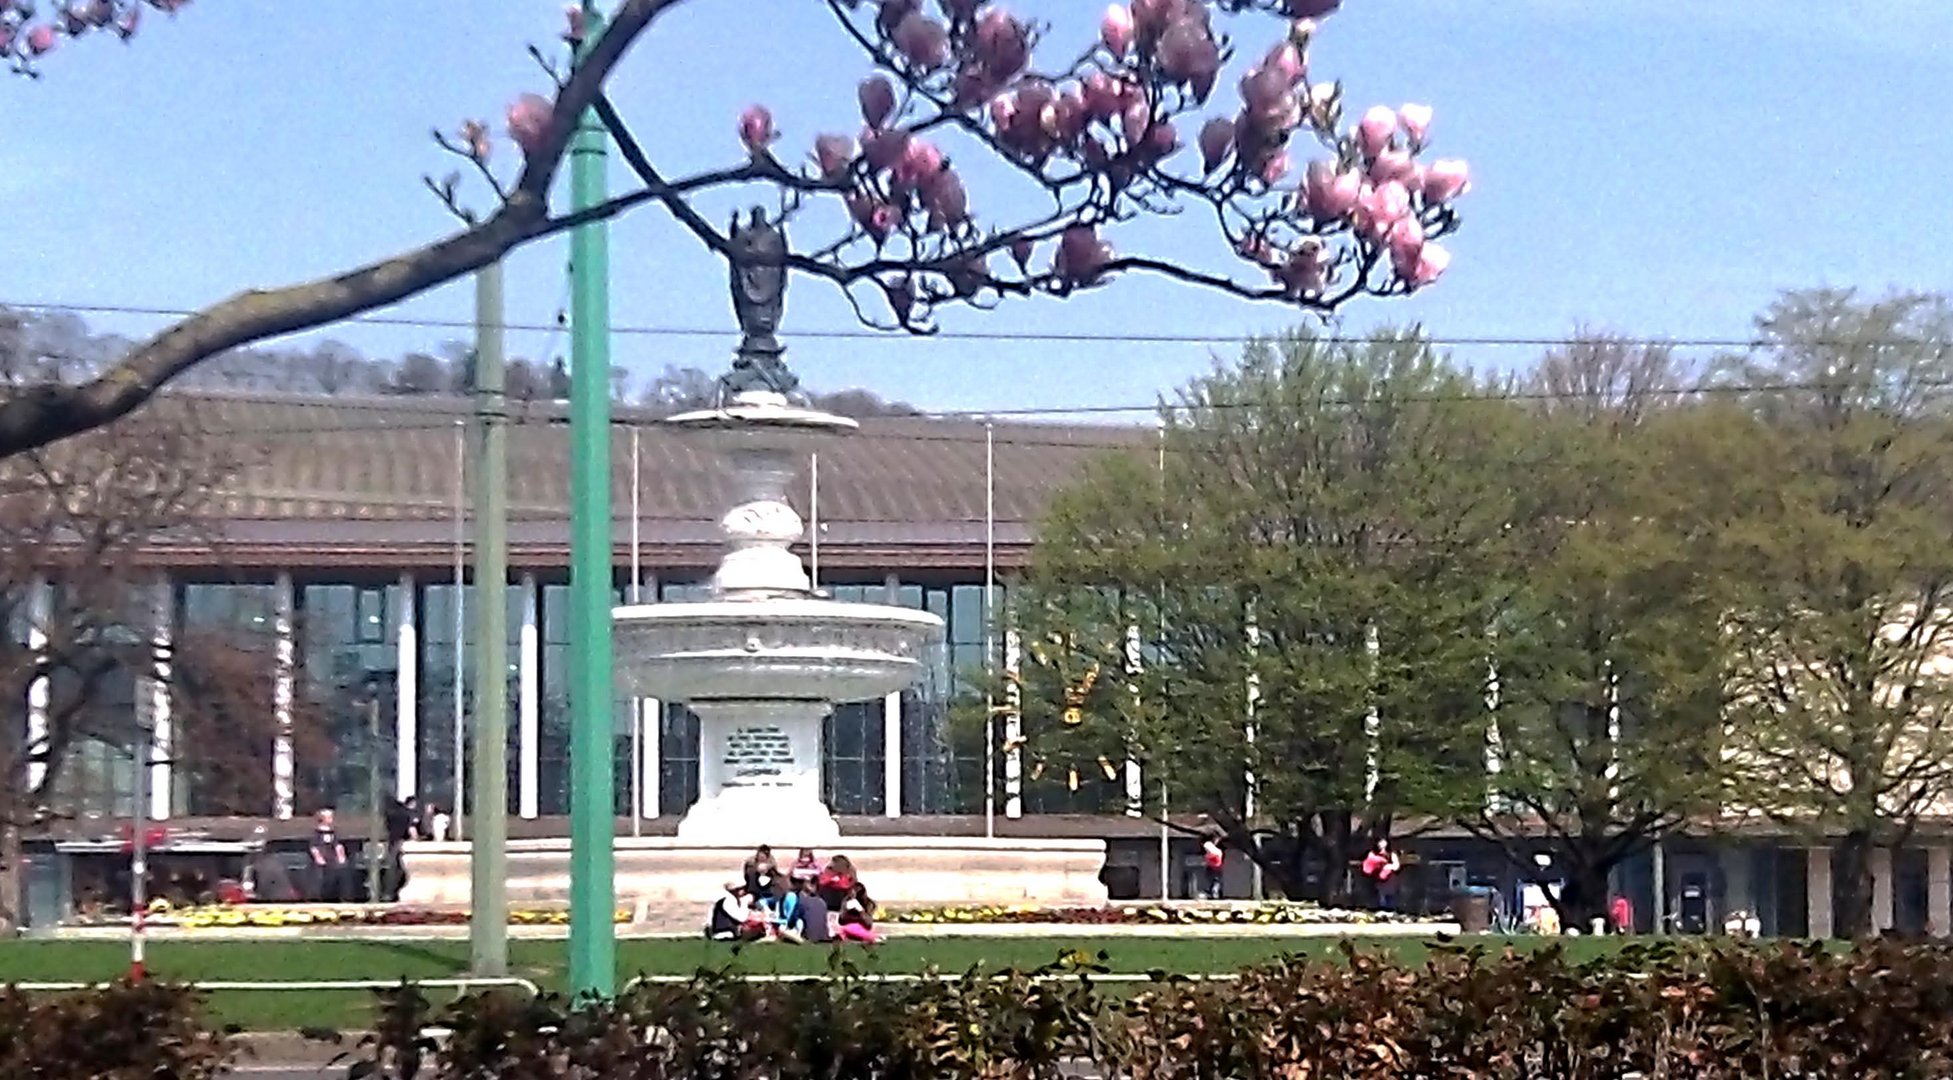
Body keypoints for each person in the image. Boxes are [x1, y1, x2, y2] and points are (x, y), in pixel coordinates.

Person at [307, 810, 348, 902]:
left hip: (331, 858)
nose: (331, 819)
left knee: (335, 876)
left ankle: (335, 895)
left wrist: (340, 855)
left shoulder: (333, 832)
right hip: (322, 859)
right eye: (329, 817)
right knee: (320, 878)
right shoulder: (317, 832)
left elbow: (337, 844)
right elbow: (313, 846)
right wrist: (318, 856)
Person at [787, 877, 832, 944]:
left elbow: (792, 920)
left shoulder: (802, 901)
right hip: (823, 936)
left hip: (809, 936)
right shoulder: (822, 902)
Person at [1361, 838, 1401, 912]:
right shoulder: (1372, 854)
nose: (1381, 845)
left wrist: (1388, 867)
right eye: (1380, 843)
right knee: (1379, 898)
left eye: (1383, 843)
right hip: (1377, 881)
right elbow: (1367, 867)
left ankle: (1389, 911)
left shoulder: (1391, 854)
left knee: (1389, 898)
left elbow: (1396, 866)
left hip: (1389, 881)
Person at [1201, 835, 1226, 899]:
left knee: (1215, 881)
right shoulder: (1215, 852)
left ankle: (1213, 893)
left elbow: (1213, 859)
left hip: (1215, 868)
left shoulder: (1215, 852)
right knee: (1213, 881)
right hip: (1213, 868)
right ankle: (1211, 892)